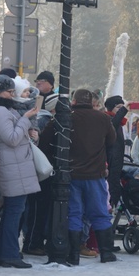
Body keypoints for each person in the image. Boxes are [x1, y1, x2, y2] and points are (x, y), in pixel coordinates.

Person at [39, 89, 117, 264]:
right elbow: (112, 141)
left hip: (71, 175)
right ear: (91, 102)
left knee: (74, 213)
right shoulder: (103, 118)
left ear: (73, 101)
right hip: (95, 174)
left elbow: (45, 141)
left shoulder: (66, 117)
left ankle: (73, 254)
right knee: (100, 213)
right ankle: (106, 253)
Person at [0, 74, 40, 268]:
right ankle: (9, 254)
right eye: (9, 91)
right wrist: (25, 119)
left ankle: (7, 252)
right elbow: (11, 138)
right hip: (11, 168)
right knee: (14, 212)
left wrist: (31, 131)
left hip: (16, 167)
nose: (12, 95)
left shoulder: (7, 109)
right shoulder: (0, 111)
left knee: (14, 212)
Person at [103, 95, 129, 209]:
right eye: (118, 107)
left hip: (117, 161)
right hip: (110, 160)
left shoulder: (121, 123)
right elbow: (113, 125)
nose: (121, 110)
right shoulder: (108, 119)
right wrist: (123, 110)